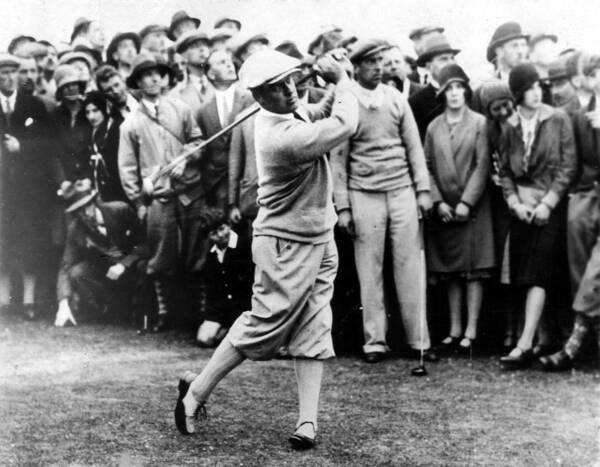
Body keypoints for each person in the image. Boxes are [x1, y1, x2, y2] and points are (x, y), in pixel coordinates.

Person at [173, 49, 358, 450]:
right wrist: (342, 78)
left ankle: (307, 421)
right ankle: (196, 392)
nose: (289, 91)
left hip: (319, 236)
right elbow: (343, 123)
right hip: (284, 242)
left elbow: (319, 108)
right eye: (276, 88)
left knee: (314, 325)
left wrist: (332, 75)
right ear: (258, 97)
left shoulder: (290, 115)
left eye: (291, 81)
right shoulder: (281, 137)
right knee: (263, 323)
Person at [331, 39, 437, 363]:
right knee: (370, 269)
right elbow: (338, 159)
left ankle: (419, 342)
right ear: (357, 67)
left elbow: (414, 147)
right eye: (371, 62)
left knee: (410, 267)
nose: (378, 67)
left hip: (402, 190)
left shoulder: (395, 99)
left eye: (381, 61)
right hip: (364, 194)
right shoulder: (346, 101)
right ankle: (374, 342)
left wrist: (422, 191)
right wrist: (344, 207)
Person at [118, 52, 205, 332]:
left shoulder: (180, 109)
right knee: (161, 256)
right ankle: (165, 314)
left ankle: (200, 315)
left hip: (189, 192)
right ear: (139, 82)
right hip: (158, 198)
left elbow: (199, 141)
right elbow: (127, 168)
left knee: (196, 252)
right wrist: (139, 203)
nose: (154, 79)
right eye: (147, 75)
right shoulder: (131, 124)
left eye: (158, 73)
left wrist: (187, 158)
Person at [498, 64, 576, 368]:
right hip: (522, 209)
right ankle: (543, 338)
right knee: (527, 274)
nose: (536, 92)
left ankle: (525, 341)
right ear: (517, 94)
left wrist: (548, 203)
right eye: (528, 88)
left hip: (551, 208)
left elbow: (568, 167)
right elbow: (505, 171)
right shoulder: (509, 125)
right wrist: (515, 203)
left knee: (538, 271)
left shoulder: (558, 119)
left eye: (537, 87)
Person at [424, 64, 496, 353]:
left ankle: (471, 331)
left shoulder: (479, 123)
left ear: (466, 91)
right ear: (442, 93)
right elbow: (426, 166)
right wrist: (438, 201)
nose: (454, 94)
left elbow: (483, 165)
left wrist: (467, 202)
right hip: (445, 209)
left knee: (473, 269)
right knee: (451, 270)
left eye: (459, 88)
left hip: (472, 208)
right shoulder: (433, 126)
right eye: (448, 89)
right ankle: (454, 329)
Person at [540, 55, 600, 370]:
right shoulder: (574, 114)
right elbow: (570, 162)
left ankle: (574, 346)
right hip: (583, 198)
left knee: (595, 273)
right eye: (593, 74)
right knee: (580, 273)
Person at [0, 53, 53, 319]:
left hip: (28, 189)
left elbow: (47, 143)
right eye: (3, 73)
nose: (8, 78)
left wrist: (22, 147)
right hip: (1, 190)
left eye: (12, 72)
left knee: (30, 241)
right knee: (3, 240)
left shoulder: (34, 105)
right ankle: (4, 299)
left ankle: (29, 300)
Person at [54, 179, 146, 326]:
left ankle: (138, 309)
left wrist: (123, 265)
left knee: (143, 266)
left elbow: (144, 243)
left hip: (130, 264)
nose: (84, 214)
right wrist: (63, 304)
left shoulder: (120, 210)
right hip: (104, 270)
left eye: (86, 206)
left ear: (94, 201)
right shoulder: (76, 228)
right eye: (78, 210)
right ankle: (105, 308)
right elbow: (65, 265)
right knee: (77, 272)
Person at [479, 80, 519, 350]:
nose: (503, 112)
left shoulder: (524, 125)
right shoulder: (491, 131)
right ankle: (508, 329)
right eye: (496, 109)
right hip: (502, 206)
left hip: (524, 199)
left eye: (506, 105)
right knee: (505, 269)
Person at [197, 50, 253, 210]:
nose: (229, 64)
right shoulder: (203, 111)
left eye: (229, 61)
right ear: (211, 74)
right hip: (217, 188)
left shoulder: (250, 99)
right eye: (222, 62)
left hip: (247, 183)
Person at [195, 208, 253, 347]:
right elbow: (213, 292)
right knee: (204, 338)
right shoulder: (212, 255)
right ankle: (227, 331)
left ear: (229, 225)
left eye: (222, 228)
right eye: (214, 233)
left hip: (246, 308)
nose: (220, 235)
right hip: (224, 311)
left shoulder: (246, 246)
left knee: (236, 340)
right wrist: (213, 319)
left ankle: (231, 332)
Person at [408, 34, 460, 140]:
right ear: (428, 66)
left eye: (452, 58)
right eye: (443, 59)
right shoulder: (416, 101)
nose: (451, 63)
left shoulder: (467, 93)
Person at [82, 91, 127, 202]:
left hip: (123, 188)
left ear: (104, 109)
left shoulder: (118, 128)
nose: (91, 117)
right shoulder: (91, 134)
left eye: (95, 111)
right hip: (105, 191)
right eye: (87, 112)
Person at [50, 64, 90, 182]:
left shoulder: (88, 110)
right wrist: (62, 181)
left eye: (74, 84)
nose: (71, 89)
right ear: (60, 91)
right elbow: (53, 153)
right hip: (67, 178)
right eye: (66, 86)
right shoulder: (54, 116)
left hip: (89, 176)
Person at [170, 30, 213, 117]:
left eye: (204, 44)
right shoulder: (176, 94)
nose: (202, 49)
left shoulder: (219, 83)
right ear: (183, 55)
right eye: (195, 46)